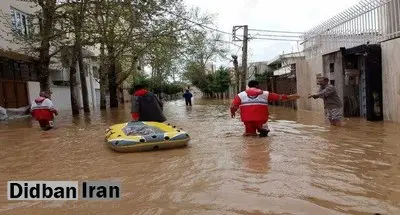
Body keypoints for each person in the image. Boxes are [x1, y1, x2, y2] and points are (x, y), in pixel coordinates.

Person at [230, 80, 300, 137]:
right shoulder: (265, 93)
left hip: (248, 120)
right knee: (264, 135)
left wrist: (233, 112)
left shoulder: (240, 95)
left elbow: (233, 106)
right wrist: (291, 96)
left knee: (249, 136)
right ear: (257, 86)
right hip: (261, 119)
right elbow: (279, 97)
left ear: (248, 86)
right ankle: (263, 130)